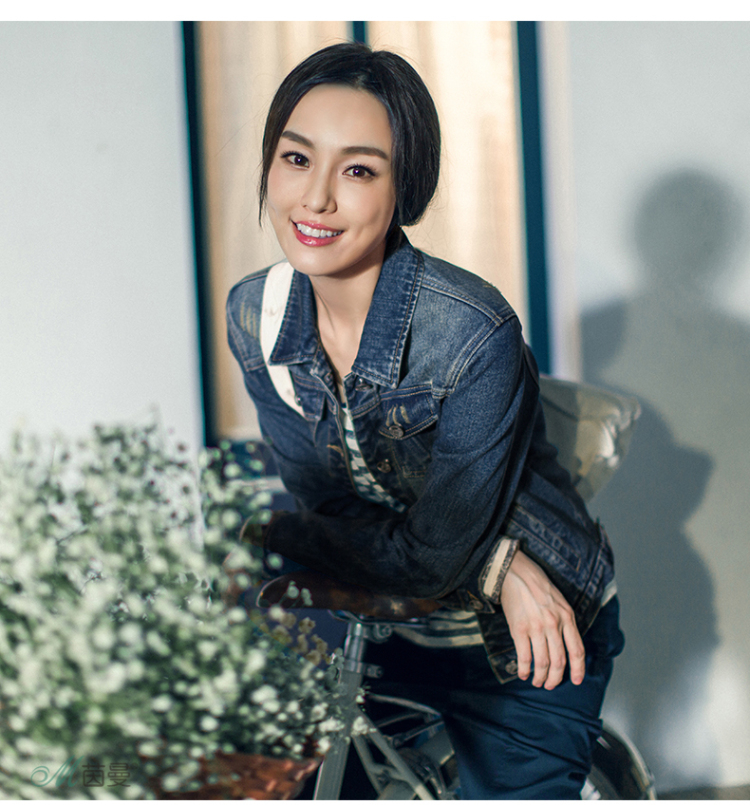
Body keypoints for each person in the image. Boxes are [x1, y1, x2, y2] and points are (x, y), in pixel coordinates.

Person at [226, 42, 624, 799]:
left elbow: (433, 553)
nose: (315, 200)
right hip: (389, 624)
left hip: (525, 636)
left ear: (404, 188)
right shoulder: (255, 314)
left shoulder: (471, 330)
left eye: (358, 171)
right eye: (296, 158)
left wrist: (479, 562)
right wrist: (498, 563)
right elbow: (331, 510)